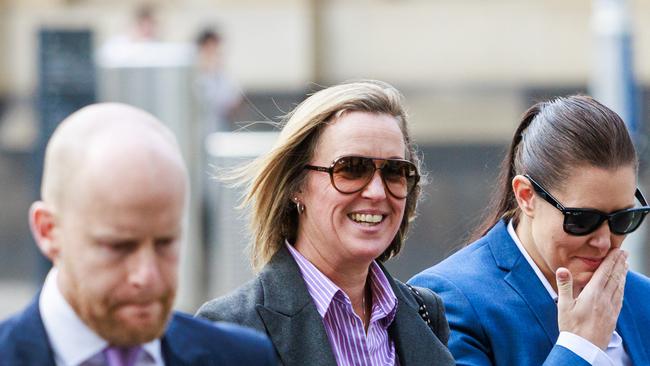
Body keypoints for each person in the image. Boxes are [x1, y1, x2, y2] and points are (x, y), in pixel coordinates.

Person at [196, 80, 455, 366]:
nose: (377, 192)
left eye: (395, 171)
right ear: (296, 186)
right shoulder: (229, 328)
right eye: (351, 169)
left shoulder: (425, 313)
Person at [0, 103, 276, 365]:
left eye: (165, 243)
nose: (147, 276)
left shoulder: (243, 357)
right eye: (119, 246)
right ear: (48, 231)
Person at [409, 95, 650, 365]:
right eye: (582, 220)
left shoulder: (642, 298)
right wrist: (580, 346)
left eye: (623, 219)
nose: (604, 241)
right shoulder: (447, 301)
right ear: (526, 196)